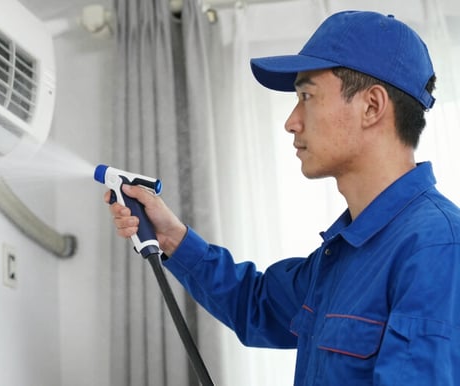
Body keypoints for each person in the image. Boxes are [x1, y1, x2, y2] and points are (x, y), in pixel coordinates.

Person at [105, 10, 460, 385]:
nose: (291, 121)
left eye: (307, 95)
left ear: (371, 106)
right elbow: (257, 306)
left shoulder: (437, 248)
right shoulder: (344, 253)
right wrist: (172, 238)